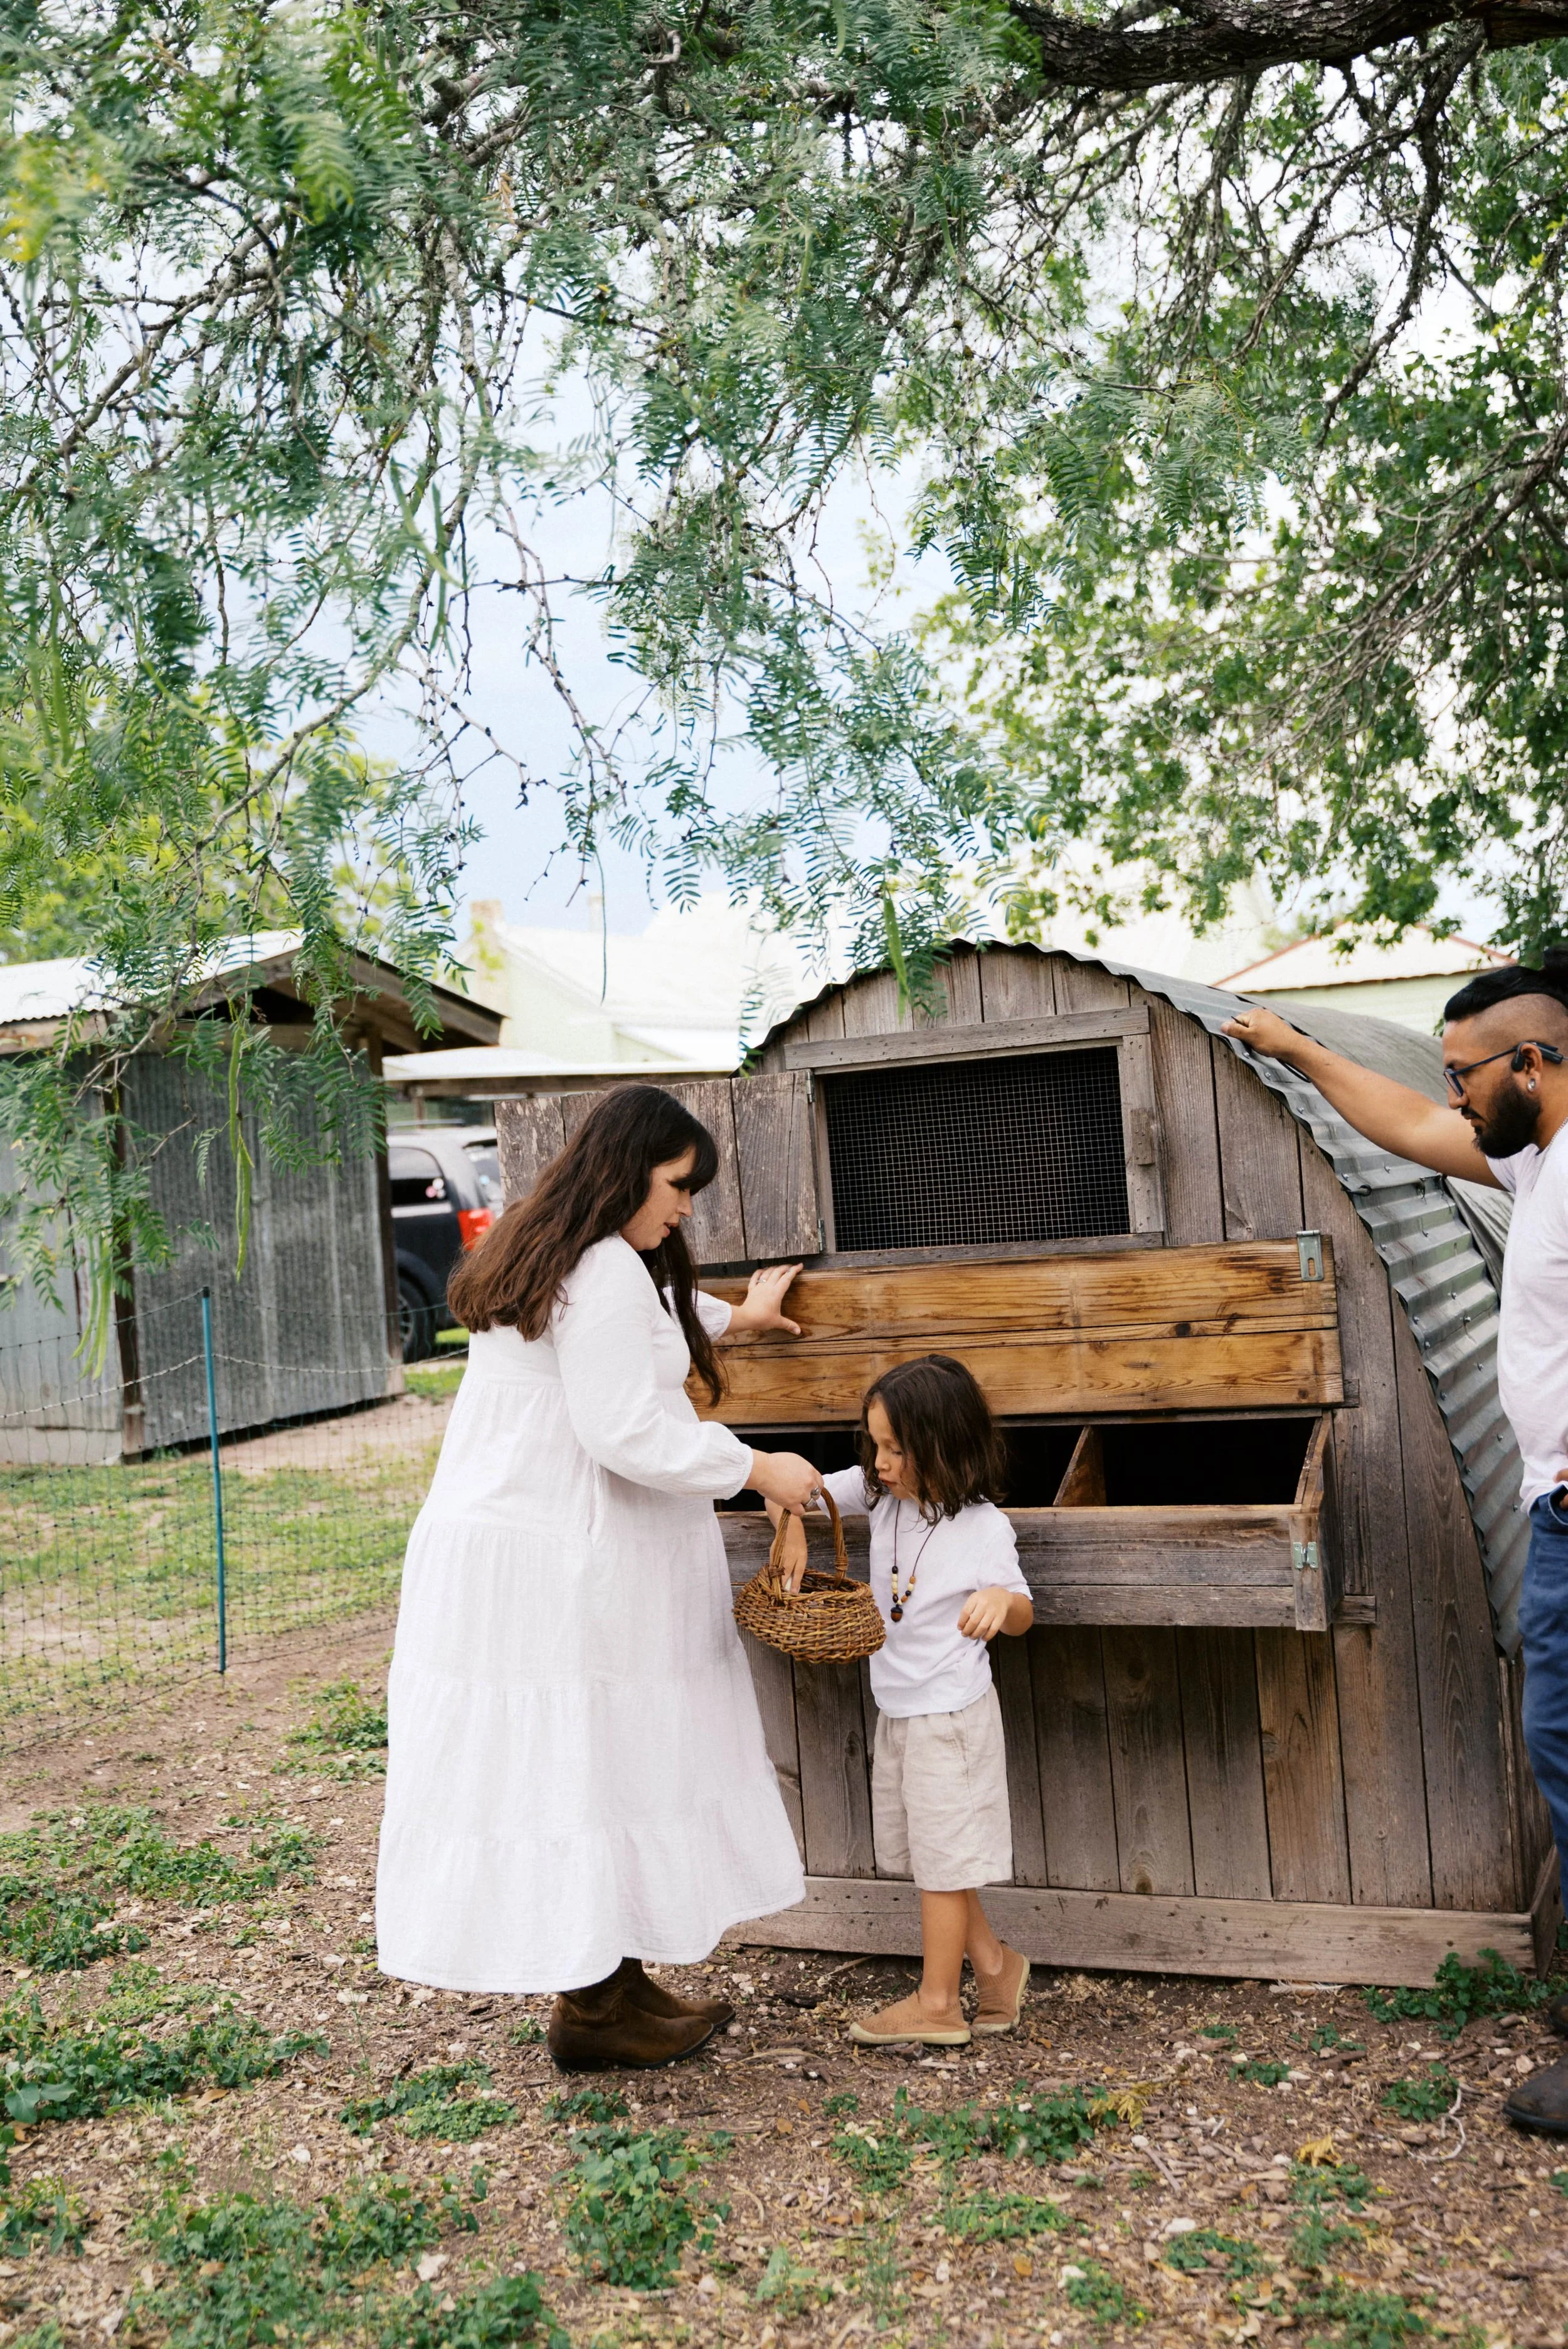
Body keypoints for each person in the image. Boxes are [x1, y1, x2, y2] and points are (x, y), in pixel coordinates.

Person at [375, 1084, 823, 2071]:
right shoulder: (606, 1266)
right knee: (587, 1758)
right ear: (626, 1173)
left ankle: (608, 1984)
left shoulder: (544, 1241)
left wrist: (736, 1317)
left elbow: (636, 1323)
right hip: (561, 1554)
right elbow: (623, 1427)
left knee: (580, 1760)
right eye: (678, 1185)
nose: (687, 1207)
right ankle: (593, 2005)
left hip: (508, 1545)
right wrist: (758, 1468)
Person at [1222, 951, 1568, 2137]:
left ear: (1535, 1062)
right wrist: (1299, 1051)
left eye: (1468, 1071)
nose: (1453, 1091)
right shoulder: (1538, 1160)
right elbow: (1414, 1126)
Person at [773, 1354, 1036, 2047]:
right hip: (899, 1708)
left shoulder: (982, 1526)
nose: (880, 1462)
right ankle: (996, 1967)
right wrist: (793, 1520)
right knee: (935, 1856)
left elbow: (1023, 1611)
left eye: (895, 1447)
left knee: (942, 1865)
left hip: (950, 1717)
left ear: (944, 1446)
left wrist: (999, 1599)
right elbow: (789, 1487)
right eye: (875, 1444)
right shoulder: (879, 1494)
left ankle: (938, 2003)